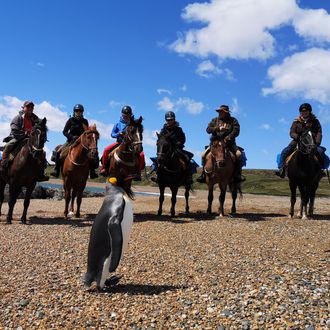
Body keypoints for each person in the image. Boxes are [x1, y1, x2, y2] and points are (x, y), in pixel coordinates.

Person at [0, 100, 49, 181]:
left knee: (42, 152)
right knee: (9, 145)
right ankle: (3, 163)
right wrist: (24, 133)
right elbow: (14, 129)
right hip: (18, 137)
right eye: (28, 107)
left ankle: (41, 172)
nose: (30, 108)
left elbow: (40, 124)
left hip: (30, 139)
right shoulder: (18, 117)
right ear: (23, 108)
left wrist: (43, 123)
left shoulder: (34, 118)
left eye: (31, 107)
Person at [196, 104, 245, 183]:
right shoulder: (214, 120)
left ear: (226, 112)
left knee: (239, 155)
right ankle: (203, 174)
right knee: (203, 155)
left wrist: (229, 137)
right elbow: (208, 129)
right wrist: (217, 128)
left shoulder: (233, 120)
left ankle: (237, 174)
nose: (219, 113)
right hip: (215, 144)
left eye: (221, 111)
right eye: (219, 111)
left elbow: (236, 131)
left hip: (229, 144)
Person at [275, 103, 327, 178]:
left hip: (312, 142)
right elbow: (291, 132)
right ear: (300, 112)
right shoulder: (296, 121)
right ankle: (281, 169)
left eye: (306, 111)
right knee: (285, 151)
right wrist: (298, 137)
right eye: (302, 111)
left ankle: (321, 170)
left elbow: (319, 132)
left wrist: (317, 142)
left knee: (321, 152)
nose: (304, 112)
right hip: (297, 141)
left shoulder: (315, 121)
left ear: (309, 111)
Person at [50, 104, 98, 179]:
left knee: (92, 155)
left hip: (82, 142)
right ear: (74, 112)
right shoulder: (70, 120)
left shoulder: (85, 121)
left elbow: (87, 133)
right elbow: (64, 131)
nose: (78, 112)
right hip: (70, 141)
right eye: (77, 111)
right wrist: (72, 137)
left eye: (80, 111)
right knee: (58, 151)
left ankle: (92, 172)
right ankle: (56, 170)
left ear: (82, 112)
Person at [100, 105, 144, 180]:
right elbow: (112, 134)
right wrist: (118, 134)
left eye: (127, 116)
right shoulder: (117, 123)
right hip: (119, 143)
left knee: (142, 154)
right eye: (124, 116)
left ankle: (138, 173)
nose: (125, 117)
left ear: (130, 115)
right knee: (106, 150)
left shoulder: (133, 124)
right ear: (122, 115)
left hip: (130, 144)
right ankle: (103, 168)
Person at [151, 111, 193, 184]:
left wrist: (178, 143)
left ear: (174, 119)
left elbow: (183, 139)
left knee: (187, 159)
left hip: (177, 149)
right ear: (166, 120)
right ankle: (157, 175)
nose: (170, 121)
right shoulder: (163, 130)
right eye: (168, 120)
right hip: (166, 150)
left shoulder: (179, 129)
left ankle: (188, 177)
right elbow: (160, 139)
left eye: (171, 119)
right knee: (157, 160)